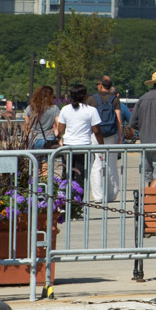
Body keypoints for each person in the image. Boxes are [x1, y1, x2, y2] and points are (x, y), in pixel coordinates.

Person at [56, 85, 112, 214]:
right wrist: (102, 146)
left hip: (68, 147)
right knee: (81, 178)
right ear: (85, 96)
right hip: (84, 147)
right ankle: (76, 207)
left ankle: (64, 206)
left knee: (66, 176)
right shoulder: (91, 110)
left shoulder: (65, 109)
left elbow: (61, 130)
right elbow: (97, 131)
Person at [23, 86, 56, 152]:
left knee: (33, 159)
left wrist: (25, 138)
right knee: (45, 159)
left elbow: (26, 125)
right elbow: (58, 124)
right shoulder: (54, 108)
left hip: (32, 138)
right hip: (48, 138)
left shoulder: (30, 108)